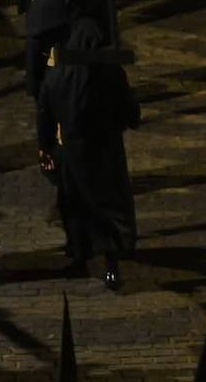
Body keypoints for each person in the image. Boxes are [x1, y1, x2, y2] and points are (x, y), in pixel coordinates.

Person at [37, 18, 141, 289]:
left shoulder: (57, 72)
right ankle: (111, 263)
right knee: (105, 204)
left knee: (75, 204)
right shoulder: (108, 71)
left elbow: (45, 111)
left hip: (70, 150)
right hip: (104, 149)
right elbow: (127, 107)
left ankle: (79, 255)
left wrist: (46, 147)